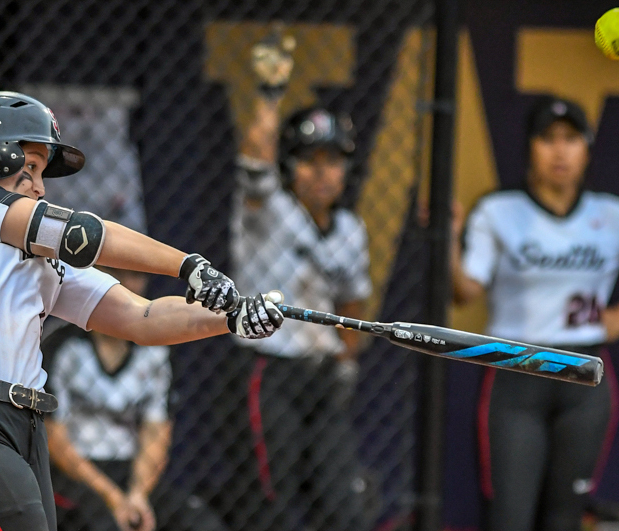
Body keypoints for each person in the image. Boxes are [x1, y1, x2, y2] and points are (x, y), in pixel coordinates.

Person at [0, 90, 284, 531]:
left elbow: (140, 317)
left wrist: (232, 317)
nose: (39, 186)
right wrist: (188, 265)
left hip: (20, 427)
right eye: (30, 168)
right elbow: (82, 234)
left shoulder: (35, 258)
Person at [451, 94, 619, 531]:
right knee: (509, 515)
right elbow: (465, 291)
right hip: (516, 366)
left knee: (566, 515)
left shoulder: (610, 215)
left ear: (587, 149)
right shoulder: (499, 212)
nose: (559, 151)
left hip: (582, 373)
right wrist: (447, 239)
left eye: (571, 139)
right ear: (530, 148)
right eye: (547, 139)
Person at [207, 31, 379, 531]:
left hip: (320, 378)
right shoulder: (268, 210)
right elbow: (255, 160)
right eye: (311, 161)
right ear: (292, 166)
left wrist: (345, 360)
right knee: (268, 504)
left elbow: (355, 298)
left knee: (342, 507)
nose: (323, 173)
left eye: (334, 161)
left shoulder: (350, 230)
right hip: (266, 371)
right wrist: (268, 95)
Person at [44, 266, 228, 531]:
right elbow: (54, 440)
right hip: (75, 474)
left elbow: (157, 432)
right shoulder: (62, 343)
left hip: (133, 472)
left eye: (135, 274)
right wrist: (113, 498)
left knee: (201, 523)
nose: (126, 284)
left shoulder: (157, 349)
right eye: (114, 272)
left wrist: (137, 495)